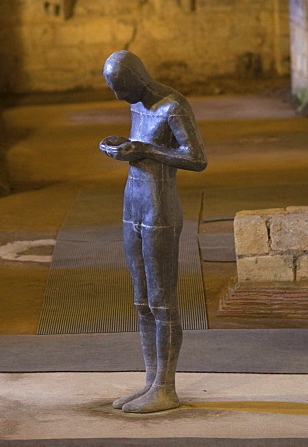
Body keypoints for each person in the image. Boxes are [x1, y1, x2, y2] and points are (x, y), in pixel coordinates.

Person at [99, 50, 207, 413]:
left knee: (162, 300)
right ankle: (150, 381)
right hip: (134, 201)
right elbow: (143, 149)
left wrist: (145, 149)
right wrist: (122, 148)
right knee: (141, 300)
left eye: (120, 87)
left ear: (136, 78)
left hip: (160, 207)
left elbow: (196, 158)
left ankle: (166, 387)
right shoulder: (137, 106)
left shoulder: (172, 106)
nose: (117, 96)